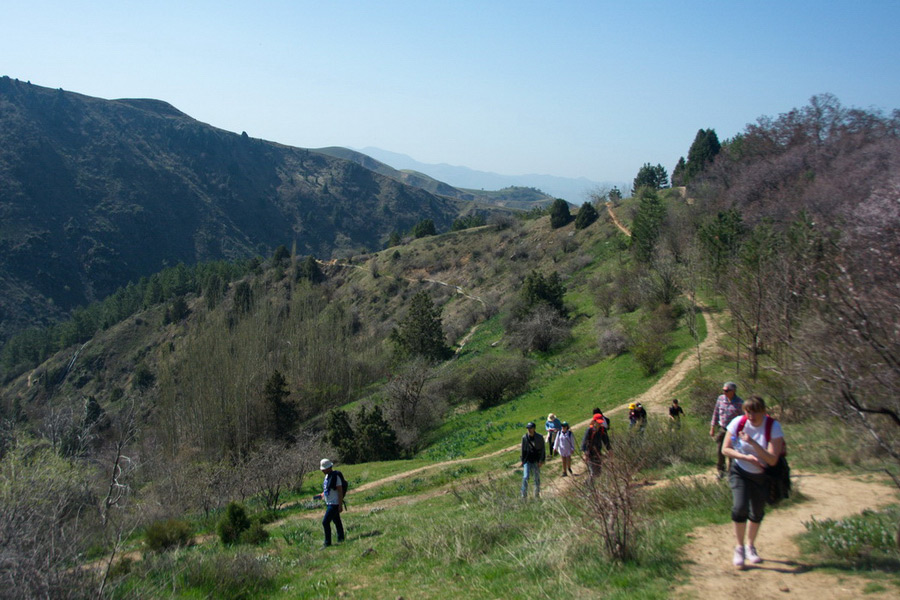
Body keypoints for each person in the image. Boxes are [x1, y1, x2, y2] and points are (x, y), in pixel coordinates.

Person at [721, 396, 784, 569]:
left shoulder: (773, 427)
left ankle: (750, 546)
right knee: (739, 507)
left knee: (756, 511)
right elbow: (725, 449)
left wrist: (752, 443)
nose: (750, 416)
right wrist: (744, 457)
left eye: (755, 412)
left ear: (764, 411)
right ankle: (739, 548)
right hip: (740, 471)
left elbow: (772, 460)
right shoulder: (738, 423)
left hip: (762, 475)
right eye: (748, 412)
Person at [709, 381, 743, 479]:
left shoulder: (740, 403)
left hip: (733, 432)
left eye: (727, 390)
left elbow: (743, 419)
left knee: (731, 452)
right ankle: (721, 471)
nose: (725, 392)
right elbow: (716, 413)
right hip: (722, 429)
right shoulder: (720, 399)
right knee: (720, 451)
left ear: (733, 391)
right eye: (724, 390)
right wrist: (712, 427)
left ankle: (731, 472)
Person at [314, 458, 346, 548]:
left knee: (325, 522)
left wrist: (340, 505)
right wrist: (321, 495)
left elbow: (340, 491)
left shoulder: (336, 476)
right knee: (337, 521)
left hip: (334, 504)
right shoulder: (327, 477)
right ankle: (341, 539)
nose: (323, 471)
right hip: (329, 503)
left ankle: (327, 543)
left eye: (324, 469)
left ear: (329, 467)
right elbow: (327, 489)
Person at [520, 422, 545, 498]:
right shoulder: (524, 437)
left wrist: (541, 460)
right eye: (528, 428)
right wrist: (522, 460)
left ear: (534, 428)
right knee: (525, 477)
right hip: (527, 460)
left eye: (530, 428)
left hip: (536, 460)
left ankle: (536, 495)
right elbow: (522, 449)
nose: (529, 430)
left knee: (536, 478)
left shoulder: (539, 437)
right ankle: (523, 495)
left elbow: (542, 450)